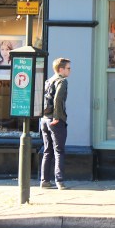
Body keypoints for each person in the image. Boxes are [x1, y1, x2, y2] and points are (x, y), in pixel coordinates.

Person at [40, 57, 71, 190]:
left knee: (47, 151)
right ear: (61, 69)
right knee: (59, 151)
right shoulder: (62, 81)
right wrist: (57, 118)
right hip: (55, 120)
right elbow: (58, 99)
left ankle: (45, 181)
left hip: (44, 119)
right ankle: (60, 181)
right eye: (68, 68)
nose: (70, 70)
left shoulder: (49, 81)